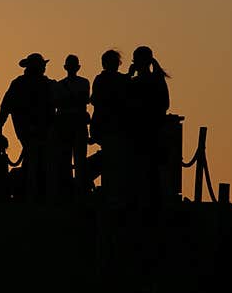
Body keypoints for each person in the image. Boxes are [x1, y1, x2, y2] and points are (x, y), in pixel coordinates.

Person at [0, 52, 55, 201]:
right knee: (37, 158)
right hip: (35, 129)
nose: (43, 69)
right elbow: (7, 105)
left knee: (35, 158)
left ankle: (33, 191)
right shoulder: (41, 84)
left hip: (31, 129)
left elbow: (5, 106)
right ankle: (35, 193)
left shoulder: (23, 83)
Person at [127, 45, 169, 211]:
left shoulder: (137, 82)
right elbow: (165, 104)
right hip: (154, 131)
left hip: (142, 133)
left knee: (141, 171)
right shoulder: (158, 79)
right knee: (152, 172)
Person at [90, 49, 130, 205]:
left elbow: (94, 100)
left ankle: (110, 190)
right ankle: (112, 191)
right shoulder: (120, 80)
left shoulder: (100, 80)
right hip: (114, 127)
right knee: (115, 160)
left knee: (111, 159)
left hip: (106, 126)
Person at [53, 54, 90, 200]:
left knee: (77, 158)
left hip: (71, 124)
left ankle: (77, 190)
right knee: (68, 158)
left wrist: (67, 101)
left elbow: (82, 100)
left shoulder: (61, 86)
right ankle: (70, 190)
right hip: (69, 124)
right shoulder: (82, 83)